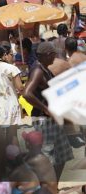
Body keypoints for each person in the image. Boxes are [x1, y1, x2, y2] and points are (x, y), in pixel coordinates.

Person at [23, 42, 73, 180]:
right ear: (47, 55)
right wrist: (45, 108)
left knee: (62, 155)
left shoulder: (44, 68)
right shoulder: (38, 70)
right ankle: (46, 187)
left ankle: (52, 185)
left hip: (51, 120)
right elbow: (26, 93)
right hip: (43, 120)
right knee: (48, 157)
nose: (55, 58)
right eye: (53, 55)